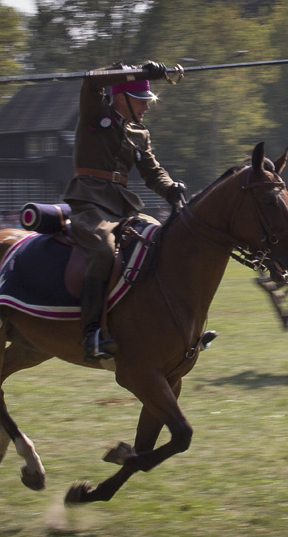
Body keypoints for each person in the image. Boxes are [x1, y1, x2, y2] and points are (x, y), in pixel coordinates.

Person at [64, 60, 187, 362]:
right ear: (122, 98)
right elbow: (92, 79)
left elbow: (152, 172)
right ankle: (91, 333)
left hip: (123, 206)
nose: (146, 107)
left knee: (162, 242)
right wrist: (138, 73)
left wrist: (171, 188)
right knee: (105, 252)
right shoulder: (95, 112)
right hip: (90, 204)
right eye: (141, 100)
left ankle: (174, 325)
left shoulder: (139, 132)